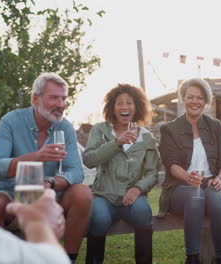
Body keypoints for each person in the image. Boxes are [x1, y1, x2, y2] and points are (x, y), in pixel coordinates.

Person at [0, 72, 92, 263]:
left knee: (82, 192)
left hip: (52, 201)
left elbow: (76, 171)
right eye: (54, 98)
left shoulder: (64, 127)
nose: (61, 104)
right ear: (35, 98)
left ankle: (67, 259)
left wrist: (49, 182)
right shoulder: (11, 121)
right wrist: (35, 157)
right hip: (14, 198)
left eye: (63, 98)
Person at [158, 78, 221, 264]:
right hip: (179, 187)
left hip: (210, 182)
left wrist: (220, 179)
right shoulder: (169, 129)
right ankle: (192, 258)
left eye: (200, 98)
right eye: (190, 97)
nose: (195, 101)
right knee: (195, 195)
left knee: (216, 198)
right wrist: (187, 177)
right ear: (183, 99)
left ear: (205, 101)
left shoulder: (215, 126)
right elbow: (170, 162)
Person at [83, 84, 158, 264]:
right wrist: (116, 143)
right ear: (112, 107)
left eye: (129, 103)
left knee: (142, 210)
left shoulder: (147, 137)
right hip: (104, 195)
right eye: (119, 103)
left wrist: (139, 188)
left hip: (132, 196)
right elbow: (89, 159)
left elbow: (152, 172)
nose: (125, 107)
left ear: (137, 107)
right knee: (99, 218)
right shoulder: (100, 130)